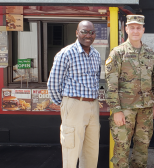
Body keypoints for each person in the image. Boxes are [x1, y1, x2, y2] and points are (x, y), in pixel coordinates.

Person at [105, 15, 154, 168]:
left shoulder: (149, 52)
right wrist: (116, 110)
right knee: (121, 150)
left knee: (142, 148)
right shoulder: (117, 53)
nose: (135, 30)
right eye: (132, 27)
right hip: (124, 109)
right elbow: (111, 85)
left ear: (143, 30)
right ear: (126, 29)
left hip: (146, 109)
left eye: (138, 27)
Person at [47, 20, 101, 168]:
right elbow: (53, 84)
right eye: (84, 31)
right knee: (71, 150)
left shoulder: (96, 54)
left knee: (91, 150)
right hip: (74, 104)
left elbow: (96, 80)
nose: (88, 35)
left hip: (93, 105)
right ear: (77, 33)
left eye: (91, 32)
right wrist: (65, 103)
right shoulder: (65, 53)